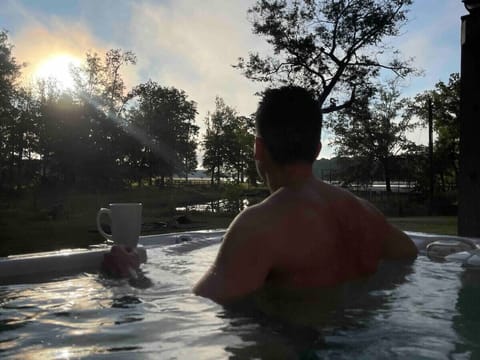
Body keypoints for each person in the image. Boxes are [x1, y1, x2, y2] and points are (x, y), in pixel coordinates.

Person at [193, 86, 418, 305]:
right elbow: (408, 254)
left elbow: (206, 306)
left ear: (258, 149)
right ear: (317, 150)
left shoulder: (258, 226)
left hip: (294, 340)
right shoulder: (367, 214)